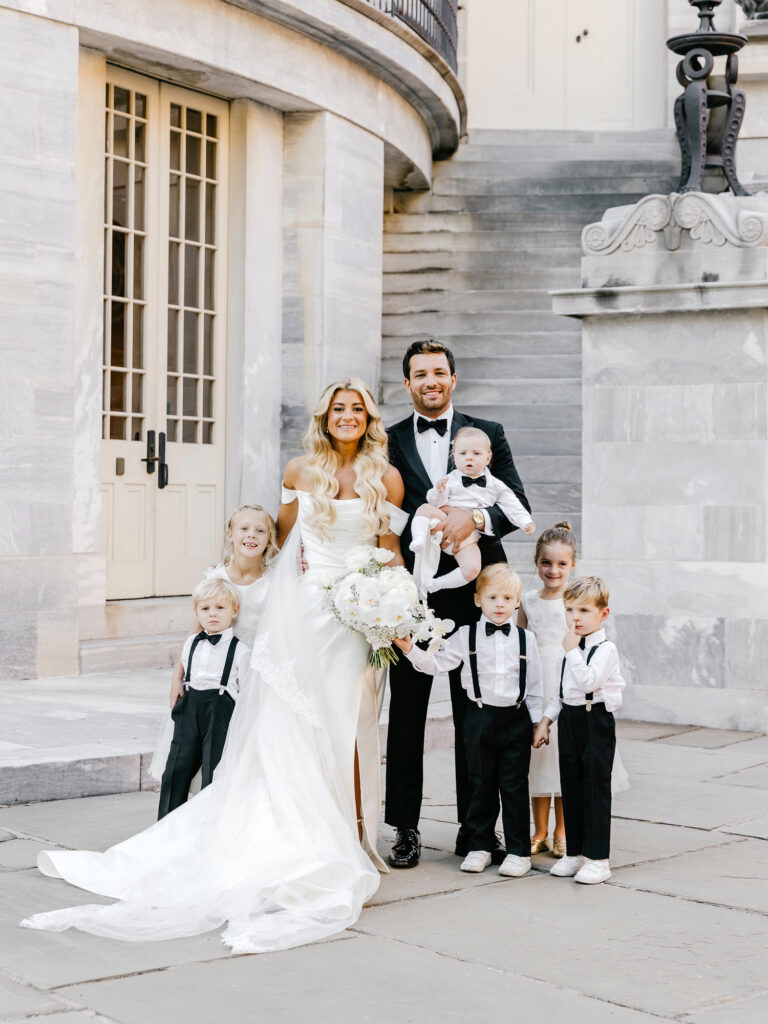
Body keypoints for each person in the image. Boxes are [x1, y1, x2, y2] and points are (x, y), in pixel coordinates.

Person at [21, 377, 408, 953]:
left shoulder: (387, 476)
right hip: (303, 616)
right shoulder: (301, 469)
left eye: (356, 409)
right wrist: (227, 592)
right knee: (292, 728)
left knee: (346, 730)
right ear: (324, 417)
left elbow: (390, 551)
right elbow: (278, 541)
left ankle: (352, 834)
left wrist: (393, 606)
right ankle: (298, 839)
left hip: (357, 622)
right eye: (337, 409)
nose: (347, 417)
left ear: (369, 418)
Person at [385, 338, 530, 869]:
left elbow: (517, 506)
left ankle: (477, 831)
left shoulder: (487, 435)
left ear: (452, 379)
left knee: (476, 712)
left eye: (439, 372)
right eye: (420, 374)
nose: (430, 381)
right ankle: (404, 827)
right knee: (406, 714)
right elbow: (382, 511)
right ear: (407, 384)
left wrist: (476, 519)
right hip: (413, 593)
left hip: (473, 593)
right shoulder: (390, 438)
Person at [395, 564, 542, 878]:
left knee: (514, 786)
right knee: (480, 783)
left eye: (507, 598)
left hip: (515, 718)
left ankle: (518, 851)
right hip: (479, 717)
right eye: (492, 597)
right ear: (478, 600)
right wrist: (410, 650)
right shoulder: (465, 636)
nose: (500, 604)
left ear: (517, 602)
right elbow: (436, 664)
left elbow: (536, 686)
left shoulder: (526, 640)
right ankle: (480, 845)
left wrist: (538, 722)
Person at [147, 504, 276, 789]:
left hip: (253, 680)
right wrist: (177, 677)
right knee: (190, 758)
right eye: (244, 528)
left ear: (270, 538)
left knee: (242, 755)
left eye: (260, 530)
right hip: (211, 681)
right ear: (230, 534)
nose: (251, 535)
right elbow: (195, 633)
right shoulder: (217, 578)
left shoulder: (272, 583)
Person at [533, 576, 626, 885]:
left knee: (595, 788)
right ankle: (574, 853)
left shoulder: (605, 649)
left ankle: (598, 859)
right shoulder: (567, 647)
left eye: (584, 611)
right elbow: (561, 693)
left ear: (603, 614)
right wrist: (546, 721)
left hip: (595, 720)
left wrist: (571, 651)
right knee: (570, 786)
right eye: (570, 610)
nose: (576, 618)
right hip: (570, 720)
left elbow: (588, 681)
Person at [157, 577, 251, 819]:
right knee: (176, 769)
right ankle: (166, 825)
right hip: (189, 708)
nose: (213, 614)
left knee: (214, 771)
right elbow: (186, 672)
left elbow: (246, 692)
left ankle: (209, 826)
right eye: (206, 608)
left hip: (219, 713)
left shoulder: (241, 651)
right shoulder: (190, 643)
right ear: (196, 612)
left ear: (234, 611)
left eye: (220, 608)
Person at [410, 425, 535, 596]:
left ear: (488, 457)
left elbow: (512, 503)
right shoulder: (450, 479)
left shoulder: (495, 484)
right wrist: (438, 491)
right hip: (442, 520)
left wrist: (525, 522)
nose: (469, 458)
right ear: (454, 457)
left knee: (472, 569)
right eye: (463, 454)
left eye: (476, 454)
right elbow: (435, 502)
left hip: (470, 539)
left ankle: (438, 584)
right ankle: (418, 540)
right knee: (425, 509)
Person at [518, 522, 579, 857]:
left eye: (561, 564)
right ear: (536, 561)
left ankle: (562, 830)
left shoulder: (575, 601)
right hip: (537, 687)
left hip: (566, 685)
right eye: (546, 562)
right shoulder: (527, 601)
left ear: (572, 565)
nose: (553, 570)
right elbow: (520, 646)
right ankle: (538, 829)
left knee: (564, 763)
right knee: (538, 761)